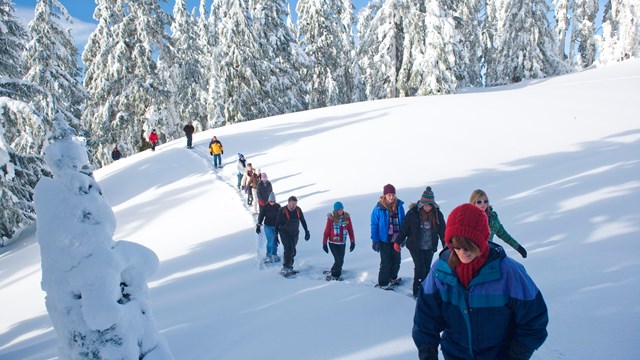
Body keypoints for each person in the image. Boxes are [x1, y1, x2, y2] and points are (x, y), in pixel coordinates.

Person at [413, 203, 548, 360]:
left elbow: (534, 320)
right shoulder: (440, 271)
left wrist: (516, 355)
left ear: (482, 240)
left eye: (469, 246)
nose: (462, 252)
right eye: (456, 246)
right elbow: (426, 318)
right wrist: (427, 353)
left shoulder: (508, 273)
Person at [395, 186, 446, 298]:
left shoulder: (437, 214)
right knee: (420, 268)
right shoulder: (413, 212)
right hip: (415, 246)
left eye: (430, 205)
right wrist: (397, 242)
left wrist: (446, 246)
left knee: (427, 269)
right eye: (425, 205)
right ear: (421, 203)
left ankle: (426, 290)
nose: (427, 208)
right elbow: (405, 229)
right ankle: (417, 292)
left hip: (429, 246)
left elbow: (443, 231)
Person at [470, 189, 528, 258]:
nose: (483, 204)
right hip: (472, 255)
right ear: (473, 203)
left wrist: (517, 247)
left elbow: (503, 234)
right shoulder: (469, 218)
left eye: (485, 201)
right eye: (479, 202)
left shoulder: (493, 218)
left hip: (488, 253)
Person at [370, 183, 405, 289]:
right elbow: (374, 225)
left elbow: (403, 222)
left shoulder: (399, 206)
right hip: (383, 239)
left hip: (396, 239)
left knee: (396, 261)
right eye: (389, 195)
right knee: (385, 262)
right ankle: (383, 283)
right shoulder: (378, 208)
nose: (391, 197)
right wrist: (375, 240)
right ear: (385, 195)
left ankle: (392, 278)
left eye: (393, 195)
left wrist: (403, 237)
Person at [274, 196, 310, 276]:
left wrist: (306, 231)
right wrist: (276, 235)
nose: (293, 206)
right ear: (288, 203)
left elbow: (302, 220)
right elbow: (277, 223)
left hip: (294, 233)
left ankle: (290, 267)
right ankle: (286, 268)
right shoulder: (282, 210)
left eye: (295, 204)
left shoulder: (298, 210)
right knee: (288, 249)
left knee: (293, 251)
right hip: (284, 233)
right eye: (292, 204)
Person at [322, 201, 355, 281]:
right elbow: (326, 231)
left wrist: (352, 242)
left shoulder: (346, 217)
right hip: (333, 243)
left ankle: (334, 270)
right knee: (338, 260)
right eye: (339, 210)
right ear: (335, 211)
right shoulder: (331, 219)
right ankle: (335, 275)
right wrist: (324, 244)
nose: (340, 211)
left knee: (341, 260)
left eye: (341, 209)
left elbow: (350, 230)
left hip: (342, 243)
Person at [256, 192, 281, 263]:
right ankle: (268, 255)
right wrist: (258, 225)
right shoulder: (265, 207)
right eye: (271, 201)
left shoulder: (278, 207)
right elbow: (261, 216)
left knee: (275, 240)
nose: (272, 203)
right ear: (269, 200)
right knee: (270, 241)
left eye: (273, 201)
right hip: (268, 226)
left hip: (276, 226)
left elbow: (281, 217)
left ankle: (274, 254)